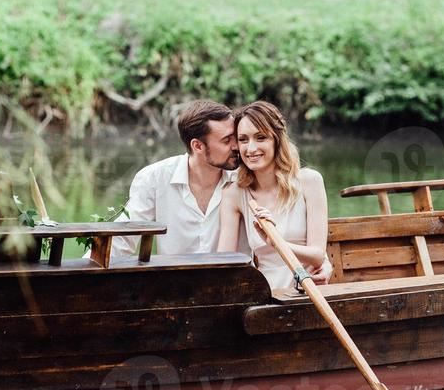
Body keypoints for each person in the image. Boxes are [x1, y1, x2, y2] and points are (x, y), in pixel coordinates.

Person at [216, 101, 332, 293]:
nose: (251, 148)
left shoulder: (310, 181)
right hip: (267, 296)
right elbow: (224, 261)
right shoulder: (234, 194)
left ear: (276, 140)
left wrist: (276, 242)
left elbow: (318, 256)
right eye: (243, 140)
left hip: (309, 291)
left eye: (260, 137)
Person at [112, 99, 246, 259]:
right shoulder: (154, 178)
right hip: (175, 282)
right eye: (226, 140)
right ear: (197, 146)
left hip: (237, 281)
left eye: (236, 137)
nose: (236, 146)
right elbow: (122, 239)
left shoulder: (246, 178)